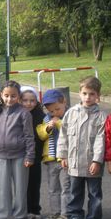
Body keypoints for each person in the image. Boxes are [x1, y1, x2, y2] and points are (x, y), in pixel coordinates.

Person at [57, 76, 107, 219]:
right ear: (79, 93)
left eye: (92, 94)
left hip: (92, 165)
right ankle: (75, 216)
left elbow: (101, 140)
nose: (88, 97)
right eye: (85, 93)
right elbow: (63, 135)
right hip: (74, 163)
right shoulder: (71, 113)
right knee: (74, 194)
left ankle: (94, 216)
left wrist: (97, 161)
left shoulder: (101, 116)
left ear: (98, 96)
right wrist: (63, 155)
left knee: (95, 195)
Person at [0, 80, 35, 219]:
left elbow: (29, 136)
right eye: (6, 95)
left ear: (18, 97)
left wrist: (30, 156)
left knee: (20, 188)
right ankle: (3, 215)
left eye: (13, 96)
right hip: (2, 156)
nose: (9, 99)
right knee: (3, 188)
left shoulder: (24, 114)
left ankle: (19, 215)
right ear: (1, 95)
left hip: (20, 156)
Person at [36, 89, 71, 219]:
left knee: (65, 188)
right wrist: (48, 127)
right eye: (51, 111)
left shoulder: (69, 116)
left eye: (57, 109)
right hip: (50, 159)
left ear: (64, 103)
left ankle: (65, 213)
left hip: (65, 159)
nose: (54, 113)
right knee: (53, 188)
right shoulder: (46, 119)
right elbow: (40, 134)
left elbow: (71, 131)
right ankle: (55, 212)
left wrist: (59, 123)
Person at [20, 86, 45, 219]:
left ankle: (34, 210)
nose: (28, 103)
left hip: (35, 157)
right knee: (21, 185)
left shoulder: (41, 116)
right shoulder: (16, 114)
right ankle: (21, 209)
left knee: (34, 184)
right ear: (20, 100)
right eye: (25, 100)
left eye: (32, 100)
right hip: (19, 156)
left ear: (36, 102)